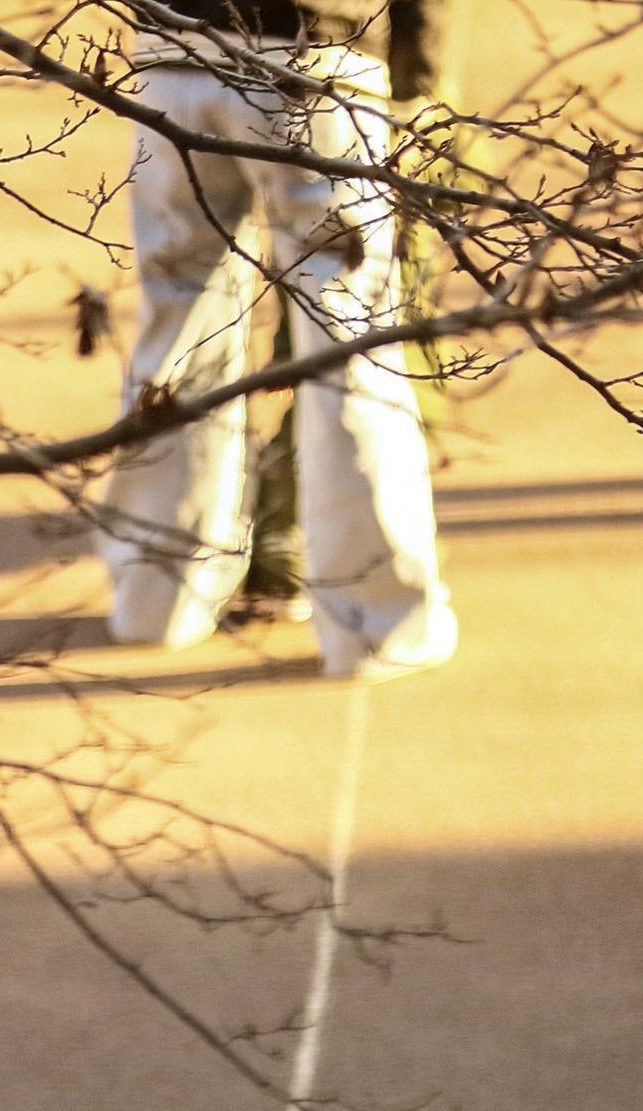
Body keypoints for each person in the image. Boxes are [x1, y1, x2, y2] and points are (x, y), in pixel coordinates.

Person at [97, 0, 460, 676]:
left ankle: (156, 596)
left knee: (177, 318)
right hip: (316, 57)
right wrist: (417, 81)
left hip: (175, 49)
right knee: (345, 335)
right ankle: (374, 623)